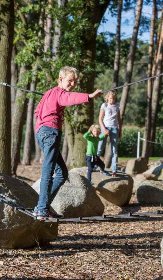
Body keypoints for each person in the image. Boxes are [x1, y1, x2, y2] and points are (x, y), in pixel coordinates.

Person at [33, 66, 102, 220]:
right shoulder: (60, 93)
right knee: (48, 172)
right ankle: (42, 209)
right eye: (70, 81)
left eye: (75, 82)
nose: (72, 84)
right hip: (50, 133)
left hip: (41, 133)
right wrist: (89, 96)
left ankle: (42, 206)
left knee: (62, 173)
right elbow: (69, 98)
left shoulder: (48, 93)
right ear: (61, 79)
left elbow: (37, 112)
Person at [97, 91, 122, 177]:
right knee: (100, 147)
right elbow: (100, 119)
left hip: (114, 129)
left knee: (114, 150)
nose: (112, 100)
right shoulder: (104, 106)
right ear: (107, 98)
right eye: (111, 98)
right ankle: (95, 165)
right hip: (105, 127)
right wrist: (104, 129)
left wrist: (120, 130)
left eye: (114, 99)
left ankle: (114, 169)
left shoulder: (117, 106)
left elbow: (119, 119)